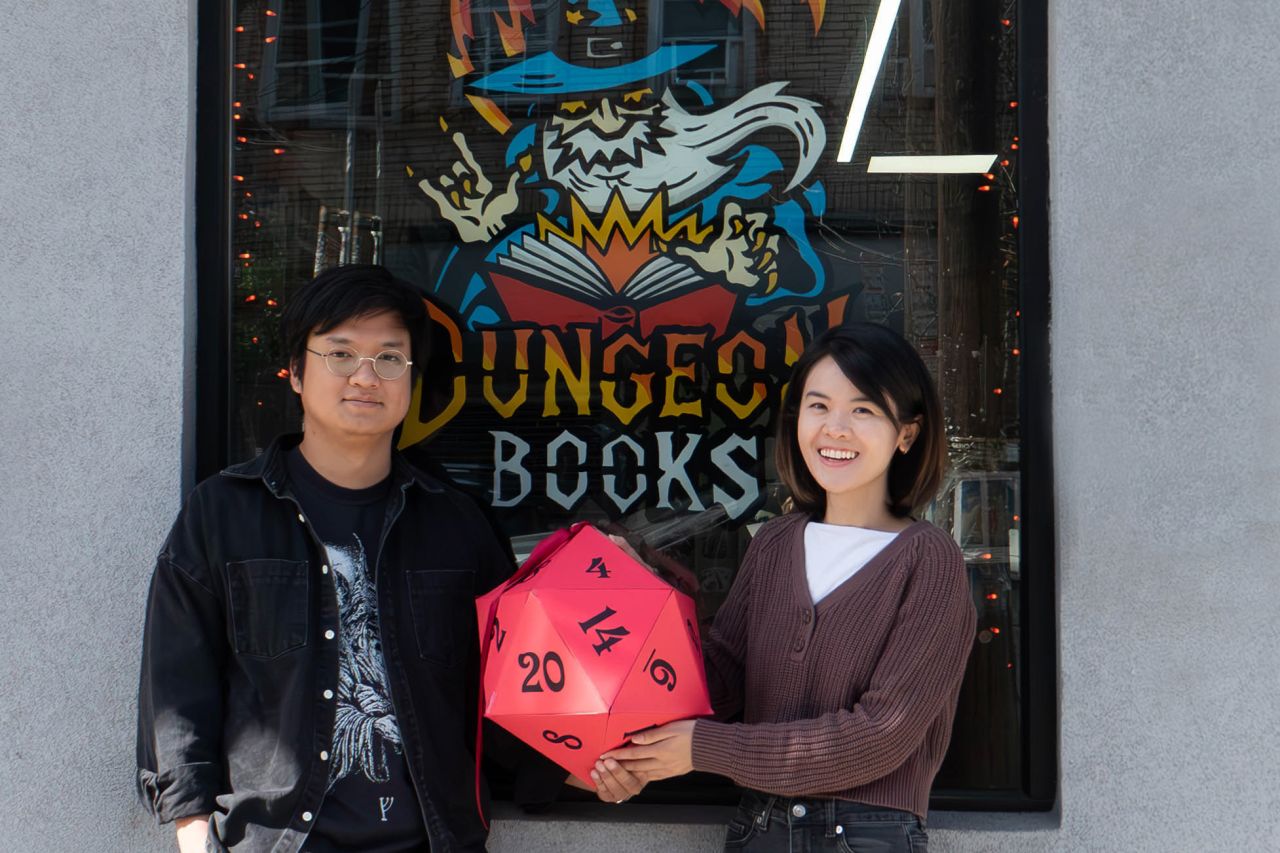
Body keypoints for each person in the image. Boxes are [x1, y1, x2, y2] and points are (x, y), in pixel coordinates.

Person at [135, 264, 637, 853]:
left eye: (390, 358)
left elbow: (508, 689)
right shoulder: (223, 513)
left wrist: (582, 766)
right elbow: (177, 683)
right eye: (341, 354)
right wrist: (194, 835)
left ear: (410, 376)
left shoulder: (457, 523)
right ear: (296, 372)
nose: (366, 377)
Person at [604, 322, 977, 851]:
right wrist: (633, 597)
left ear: (907, 434)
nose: (836, 428)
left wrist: (702, 750)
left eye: (864, 410)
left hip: (867, 835)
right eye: (818, 406)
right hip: (759, 826)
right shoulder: (775, 543)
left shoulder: (929, 559)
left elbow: (880, 736)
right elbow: (717, 680)